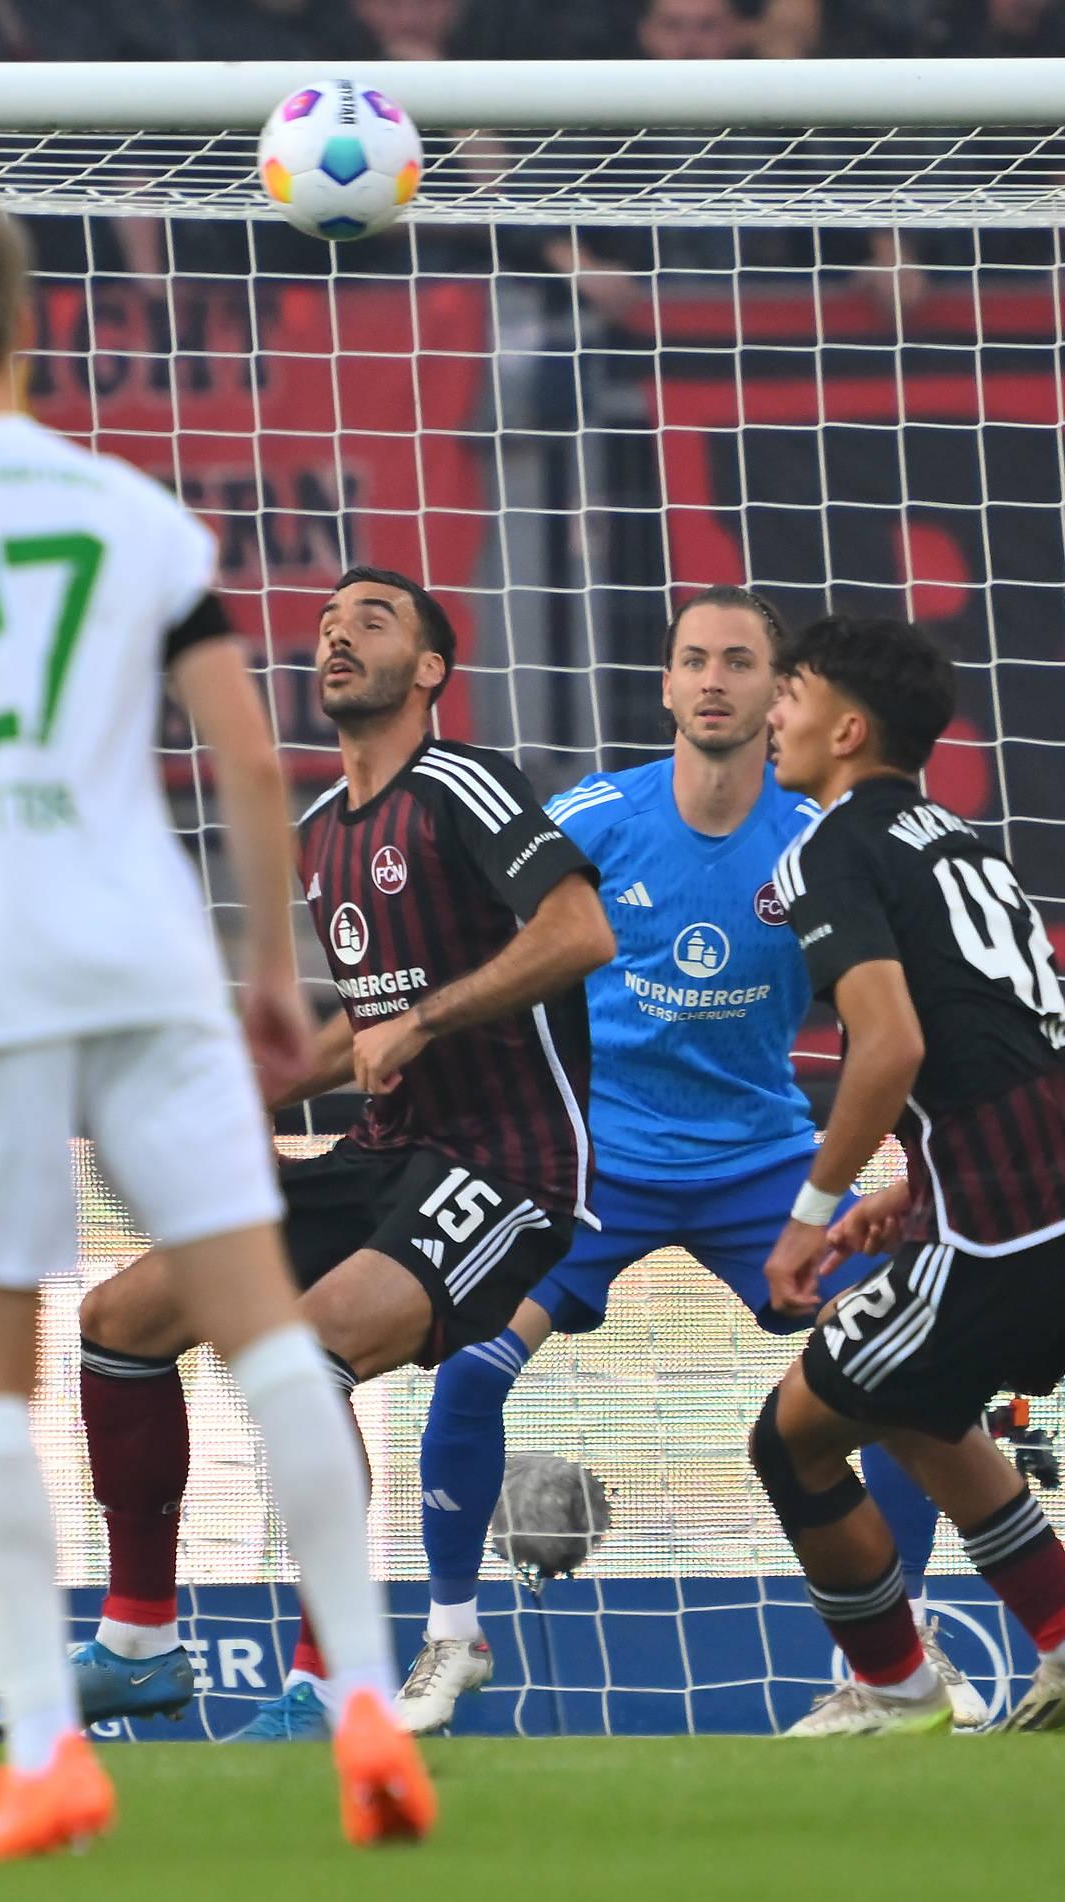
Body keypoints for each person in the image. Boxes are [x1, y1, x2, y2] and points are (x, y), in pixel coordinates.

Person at [0, 199, 429, 1862]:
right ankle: (360, 1697)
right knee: (263, 1332)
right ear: (25, 329)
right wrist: (270, 975)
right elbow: (252, 761)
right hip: (144, 956)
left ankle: (49, 1748)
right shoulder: (132, 514)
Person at [395, 586, 973, 1736]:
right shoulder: (593, 818)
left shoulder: (818, 843)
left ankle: (894, 1656)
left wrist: (920, 1170)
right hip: (590, 1165)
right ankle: (450, 1637)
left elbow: (899, 1020)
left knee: (904, 1372)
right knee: (468, 1366)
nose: (713, 679)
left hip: (761, 1163)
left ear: (779, 695)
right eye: (693, 660)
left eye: (739, 662)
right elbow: (484, 951)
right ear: (663, 687)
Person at [66, 566, 615, 1742]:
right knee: (119, 1320)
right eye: (326, 623)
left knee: (301, 1356)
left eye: (372, 620)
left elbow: (580, 932)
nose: (336, 636)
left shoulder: (464, 783)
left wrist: (424, 1022)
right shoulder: (322, 834)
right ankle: (139, 1642)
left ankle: (332, 1686)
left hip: (509, 1167)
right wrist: (256, 1085)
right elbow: (368, 1023)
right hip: (383, 1155)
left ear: (429, 669)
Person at [752, 613, 1065, 1737]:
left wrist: (811, 1214)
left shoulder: (826, 849)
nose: (773, 714)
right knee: (914, 1406)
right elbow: (1004, 1044)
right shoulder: (957, 840)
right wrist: (916, 1191)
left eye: (790, 693)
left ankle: (896, 1689)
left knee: (790, 1440)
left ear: (847, 730)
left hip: (999, 1234)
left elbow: (890, 1049)